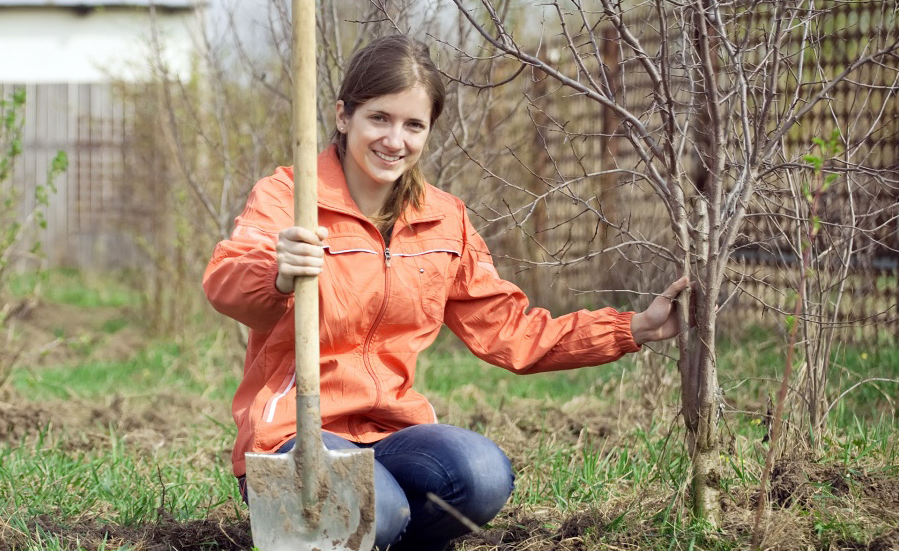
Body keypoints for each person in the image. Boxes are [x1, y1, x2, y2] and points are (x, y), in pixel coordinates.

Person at [202, 34, 688, 551]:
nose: (396, 140)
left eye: (414, 125)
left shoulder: (442, 220)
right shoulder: (289, 197)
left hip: (391, 433)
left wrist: (631, 328)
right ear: (343, 116)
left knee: (481, 474)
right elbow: (225, 282)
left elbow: (509, 329)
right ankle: (343, 531)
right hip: (293, 436)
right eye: (380, 118)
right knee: (376, 511)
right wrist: (278, 272)